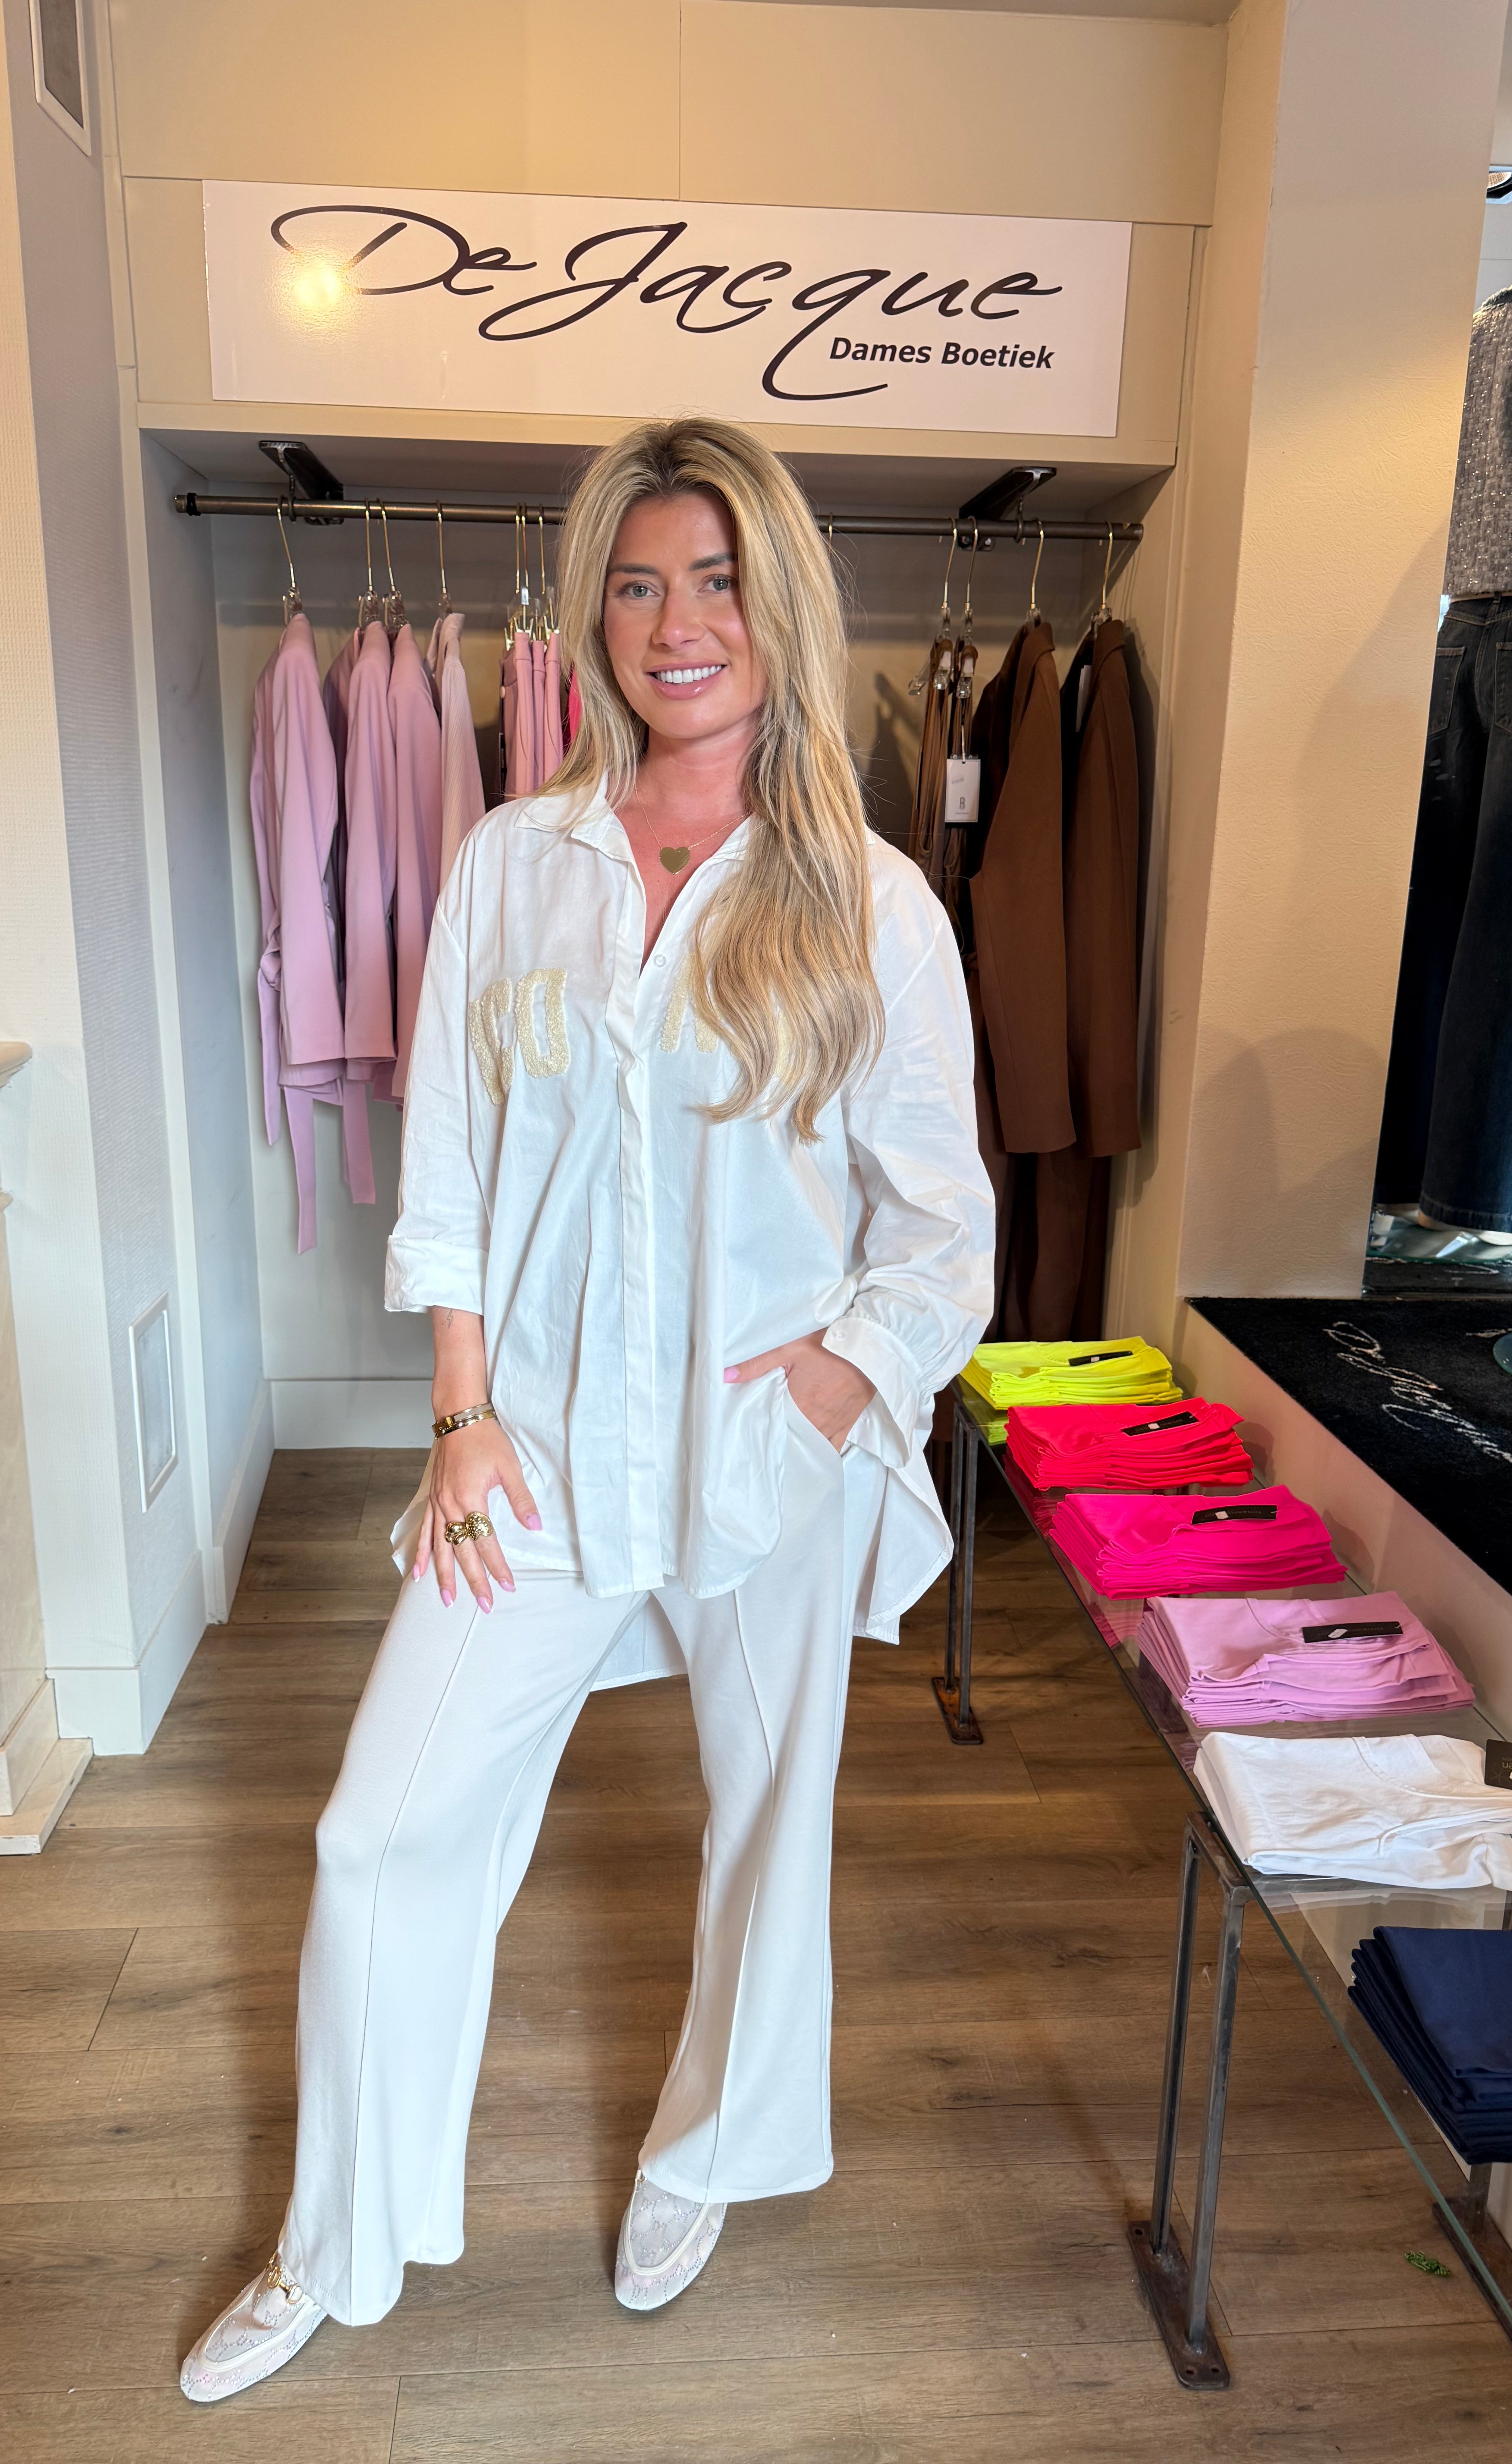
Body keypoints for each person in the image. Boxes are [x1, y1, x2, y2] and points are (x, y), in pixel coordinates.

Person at [180, 416, 993, 2402]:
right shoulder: (510, 865)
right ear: (589, 615)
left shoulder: (873, 903)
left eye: (715, 580)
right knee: (380, 1830)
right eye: (636, 584)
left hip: (763, 1448)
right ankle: (331, 2237)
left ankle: (704, 2156)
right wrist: (458, 1417)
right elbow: (453, 1164)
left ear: (779, 606)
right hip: (530, 1443)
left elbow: (942, 1231)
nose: (675, 621)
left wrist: (833, 1384)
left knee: (766, 1825)